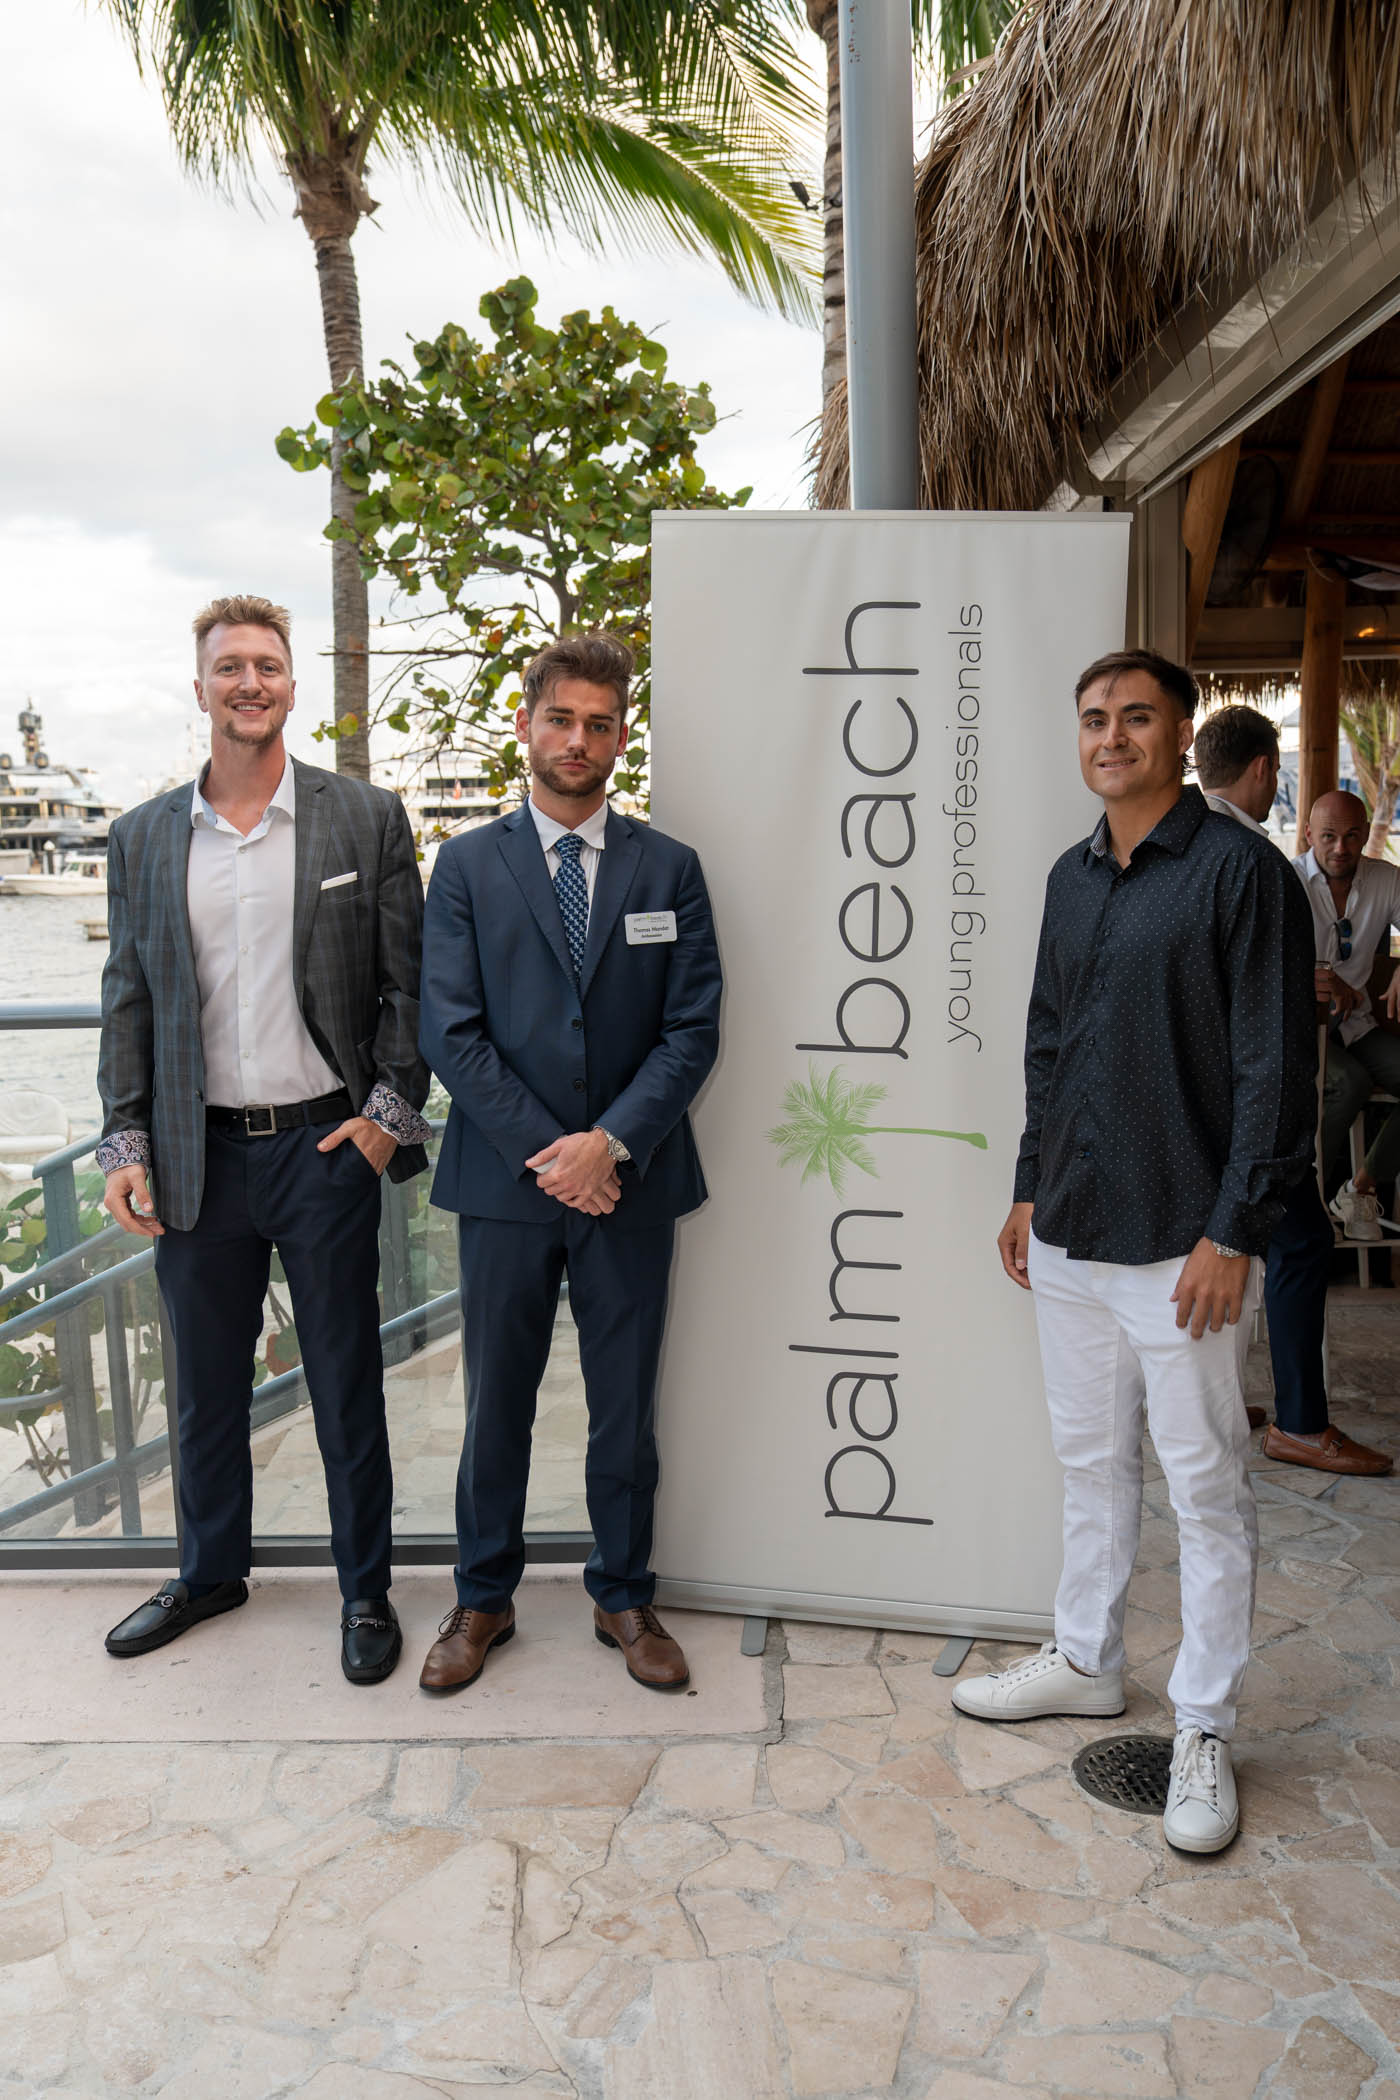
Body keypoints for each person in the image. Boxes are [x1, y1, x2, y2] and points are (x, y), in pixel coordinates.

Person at [953, 650, 1316, 1856]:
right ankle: (1087, 1659)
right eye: (1093, 719)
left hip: (1183, 1243)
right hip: (1069, 1227)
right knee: (1087, 1463)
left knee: (1204, 1486)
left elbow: (1273, 1067)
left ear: (1177, 734)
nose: (1110, 736)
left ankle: (1202, 1724)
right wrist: (1026, 1184)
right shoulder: (1069, 878)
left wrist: (1233, 1229)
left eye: (1135, 718)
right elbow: (1045, 1042)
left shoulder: (1239, 874)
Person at [98, 594, 431, 1684]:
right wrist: (125, 1143)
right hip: (197, 1157)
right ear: (200, 688)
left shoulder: (362, 818)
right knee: (204, 1388)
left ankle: (365, 1590)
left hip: (324, 1149)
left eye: (268, 665)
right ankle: (209, 1575)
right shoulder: (145, 836)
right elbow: (128, 1001)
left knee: (344, 1382)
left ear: (291, 684)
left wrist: (385, 1120)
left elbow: (408, 988)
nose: (251, 682)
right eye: (231, 666)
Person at [416, 632, 721, 1695]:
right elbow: (450, 1031)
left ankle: (622, 1593)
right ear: (525, 726)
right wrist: (555, 1156)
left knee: (623, 1406)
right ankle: (482, 1596)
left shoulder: (668, 868)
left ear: (621, 737)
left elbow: (692, 1029)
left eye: (599, 723)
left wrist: (610, 1144)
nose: (578, 739)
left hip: (631, 1182)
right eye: (561, 719)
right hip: (506, 1187)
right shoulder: (464, 866)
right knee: (494, 1403)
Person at [1194, 711, 1390, 1478]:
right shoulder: (1252, 859)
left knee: (1202, 1247)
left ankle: (1206, 1403)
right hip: (1244, 1099)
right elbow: (1262, 998)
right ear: (1265, 771)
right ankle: (1300, 1424)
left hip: (1183, 1097)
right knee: (1301, 1242)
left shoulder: (1163, 842)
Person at [1296, 789, 1400, 1241]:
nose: (1341, 848)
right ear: (1308, 834)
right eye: (1329, 837)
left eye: (1352, 836)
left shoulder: (1384, 878)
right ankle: (1305, 1204)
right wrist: (1316, 978)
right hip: (1303, 1029)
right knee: (1349, 1083)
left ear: (1365, 834)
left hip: (1357, 1024)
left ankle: (1359, 1188)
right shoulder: (1288, 879)